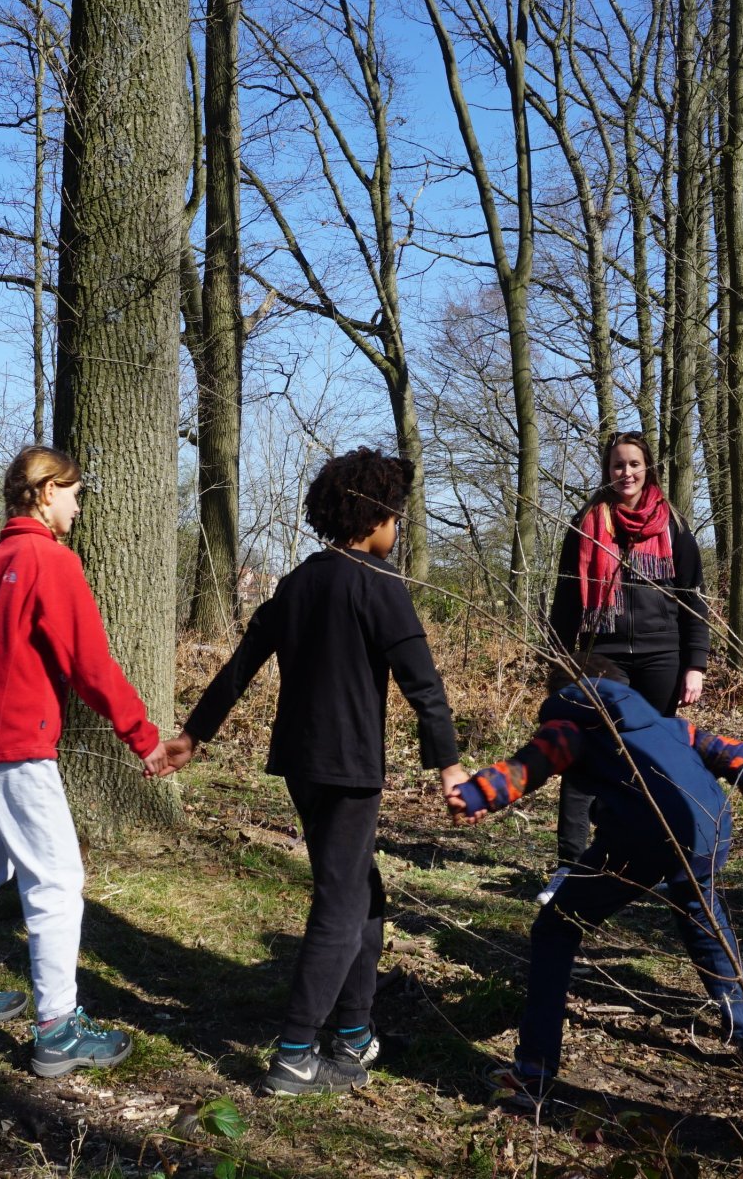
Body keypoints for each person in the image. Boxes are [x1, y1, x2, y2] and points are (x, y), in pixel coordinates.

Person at [167, 448, 467, 1096]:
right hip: (349, 766)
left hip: (304, 765)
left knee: (362, 887)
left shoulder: (301, 579)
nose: (400, 526)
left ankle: (354, 1032)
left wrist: (196, 734)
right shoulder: (380, 583)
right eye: (397, 515)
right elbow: (425, 685)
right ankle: (296, 1052)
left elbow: (241, 663)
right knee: (340, 901)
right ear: (376, 514)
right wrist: (450, 764)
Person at [0, 446, 171, 1077]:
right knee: (57, 882)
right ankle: (58, 1028)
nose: (78, 508)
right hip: (19, 749)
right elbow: (90, 663)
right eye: (75, 494)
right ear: (46, 491)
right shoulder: (50, 562)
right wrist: (143, 736)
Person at [449, 656, 743, 1103]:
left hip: (643, 837)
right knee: (702, 915)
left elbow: (531, 764)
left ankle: (532, 1072)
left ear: (562, 693)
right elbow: (741, 756)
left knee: (556, 930)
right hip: (710, 829)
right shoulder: (668, 725)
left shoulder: (575, 725)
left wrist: (479, 793)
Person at [544, 433, 709, 905]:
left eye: (635, 464)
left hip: (664, 656)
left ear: (648, 468)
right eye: (618, 465)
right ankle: (571, 865)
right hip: (603, 654)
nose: (627, 473)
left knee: (653, 760)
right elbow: (567, 599)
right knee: (587, 756)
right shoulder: (586, 524)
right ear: (607, 470)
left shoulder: (674, 525)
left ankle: (647, 860)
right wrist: (560, 661)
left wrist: (694, 665)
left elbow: (693, 604)